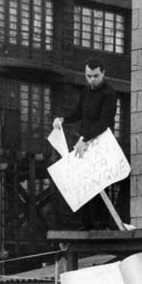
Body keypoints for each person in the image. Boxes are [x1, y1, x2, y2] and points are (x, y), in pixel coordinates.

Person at [52, 58, 118, 230]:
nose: (92, 80)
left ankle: (102, 224)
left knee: (99, 183)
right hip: (86, 141)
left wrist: (84, 139)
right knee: (82, 181)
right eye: (88, 76)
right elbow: (78, 112)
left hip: (102, 142)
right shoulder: (86, 91)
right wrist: (63, 119)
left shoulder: (110, 93)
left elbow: (104, 122)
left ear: (103, 73)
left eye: (95, 76)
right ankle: (87, 224)